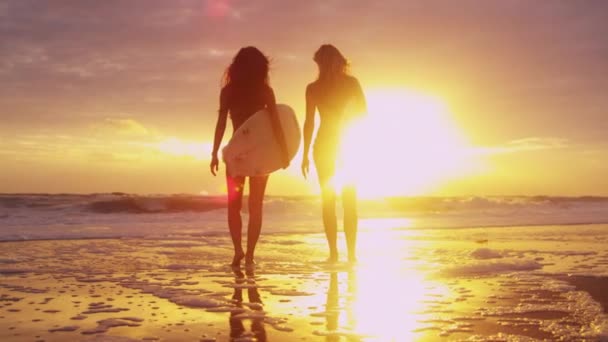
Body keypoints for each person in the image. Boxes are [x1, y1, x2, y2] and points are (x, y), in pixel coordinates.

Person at [210, 46, 289, 267]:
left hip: (237, 154)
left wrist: (215, 152)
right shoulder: (265, 91)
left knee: (233, 205)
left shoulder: (228, 91)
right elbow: (276, 125)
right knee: (256, 206)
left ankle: (238, 251)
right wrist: (284, 152)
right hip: (260, 155)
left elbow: (221, 124)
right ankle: (251, 255)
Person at [301, 44, 367, 263]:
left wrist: (305, 154)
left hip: (341, 147)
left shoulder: (330, 86)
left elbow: (363, 114)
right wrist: (304, 154)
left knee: (340, 201)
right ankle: (341, 254)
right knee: (338, 200)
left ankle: (343, 254)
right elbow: (309, 122)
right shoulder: (316, 88)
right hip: (333, 147)